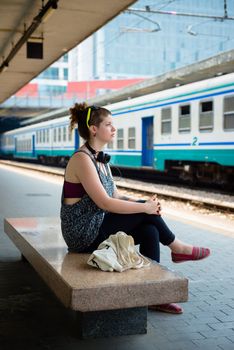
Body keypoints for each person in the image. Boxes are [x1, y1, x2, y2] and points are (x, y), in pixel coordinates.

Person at [60, 103, 210, 315]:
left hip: (96, 225)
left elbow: (117, 196)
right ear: (94, 129)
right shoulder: (82, 159)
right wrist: (144, 208)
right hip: (82, 233)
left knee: (151, 230)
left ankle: (153, 296)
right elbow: (105, 203)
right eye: (109, 124)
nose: (114, 129)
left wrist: (143, 202)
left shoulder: (100, 160)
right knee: (144, 212)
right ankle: (178, 247)